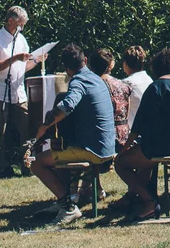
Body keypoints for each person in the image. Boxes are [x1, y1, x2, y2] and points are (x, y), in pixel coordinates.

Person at [27, 44, 117, 225]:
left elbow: (67, 105)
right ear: (84, 60)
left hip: (93, 149)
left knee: (37, 163)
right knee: (58, 150)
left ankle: (68, 207)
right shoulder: (96, 78)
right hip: (108, 146)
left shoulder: (78, 82)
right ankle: (63, 200)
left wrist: (44, 127)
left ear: (67, 69)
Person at [115, 47, 170, 221]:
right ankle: (132, 197)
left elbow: (139, 124)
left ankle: (148, 202)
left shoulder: (157, 87)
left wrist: (125, 147)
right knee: (145, 161)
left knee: (121, 163)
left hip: (165, 145)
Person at [0, 5, 40, 179]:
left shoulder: (21, 39)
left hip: (18, 90)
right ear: (10, 21)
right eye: (19, 24)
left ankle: (28, 165)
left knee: (26, 126)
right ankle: (1, 168)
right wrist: (15, 58)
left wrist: (37, 60)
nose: (21, 28)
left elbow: (23, 66)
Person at [92, 48, 133, 149]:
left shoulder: (92, 86)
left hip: (102, 137)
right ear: (111, 65)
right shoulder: (124, 85)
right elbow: (126, 114)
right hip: (124, 137)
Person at [120, 46, 153, 138]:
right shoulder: (149, 80)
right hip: (150, 131)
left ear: (125, 64)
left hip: (134, 135)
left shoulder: (126, 83)